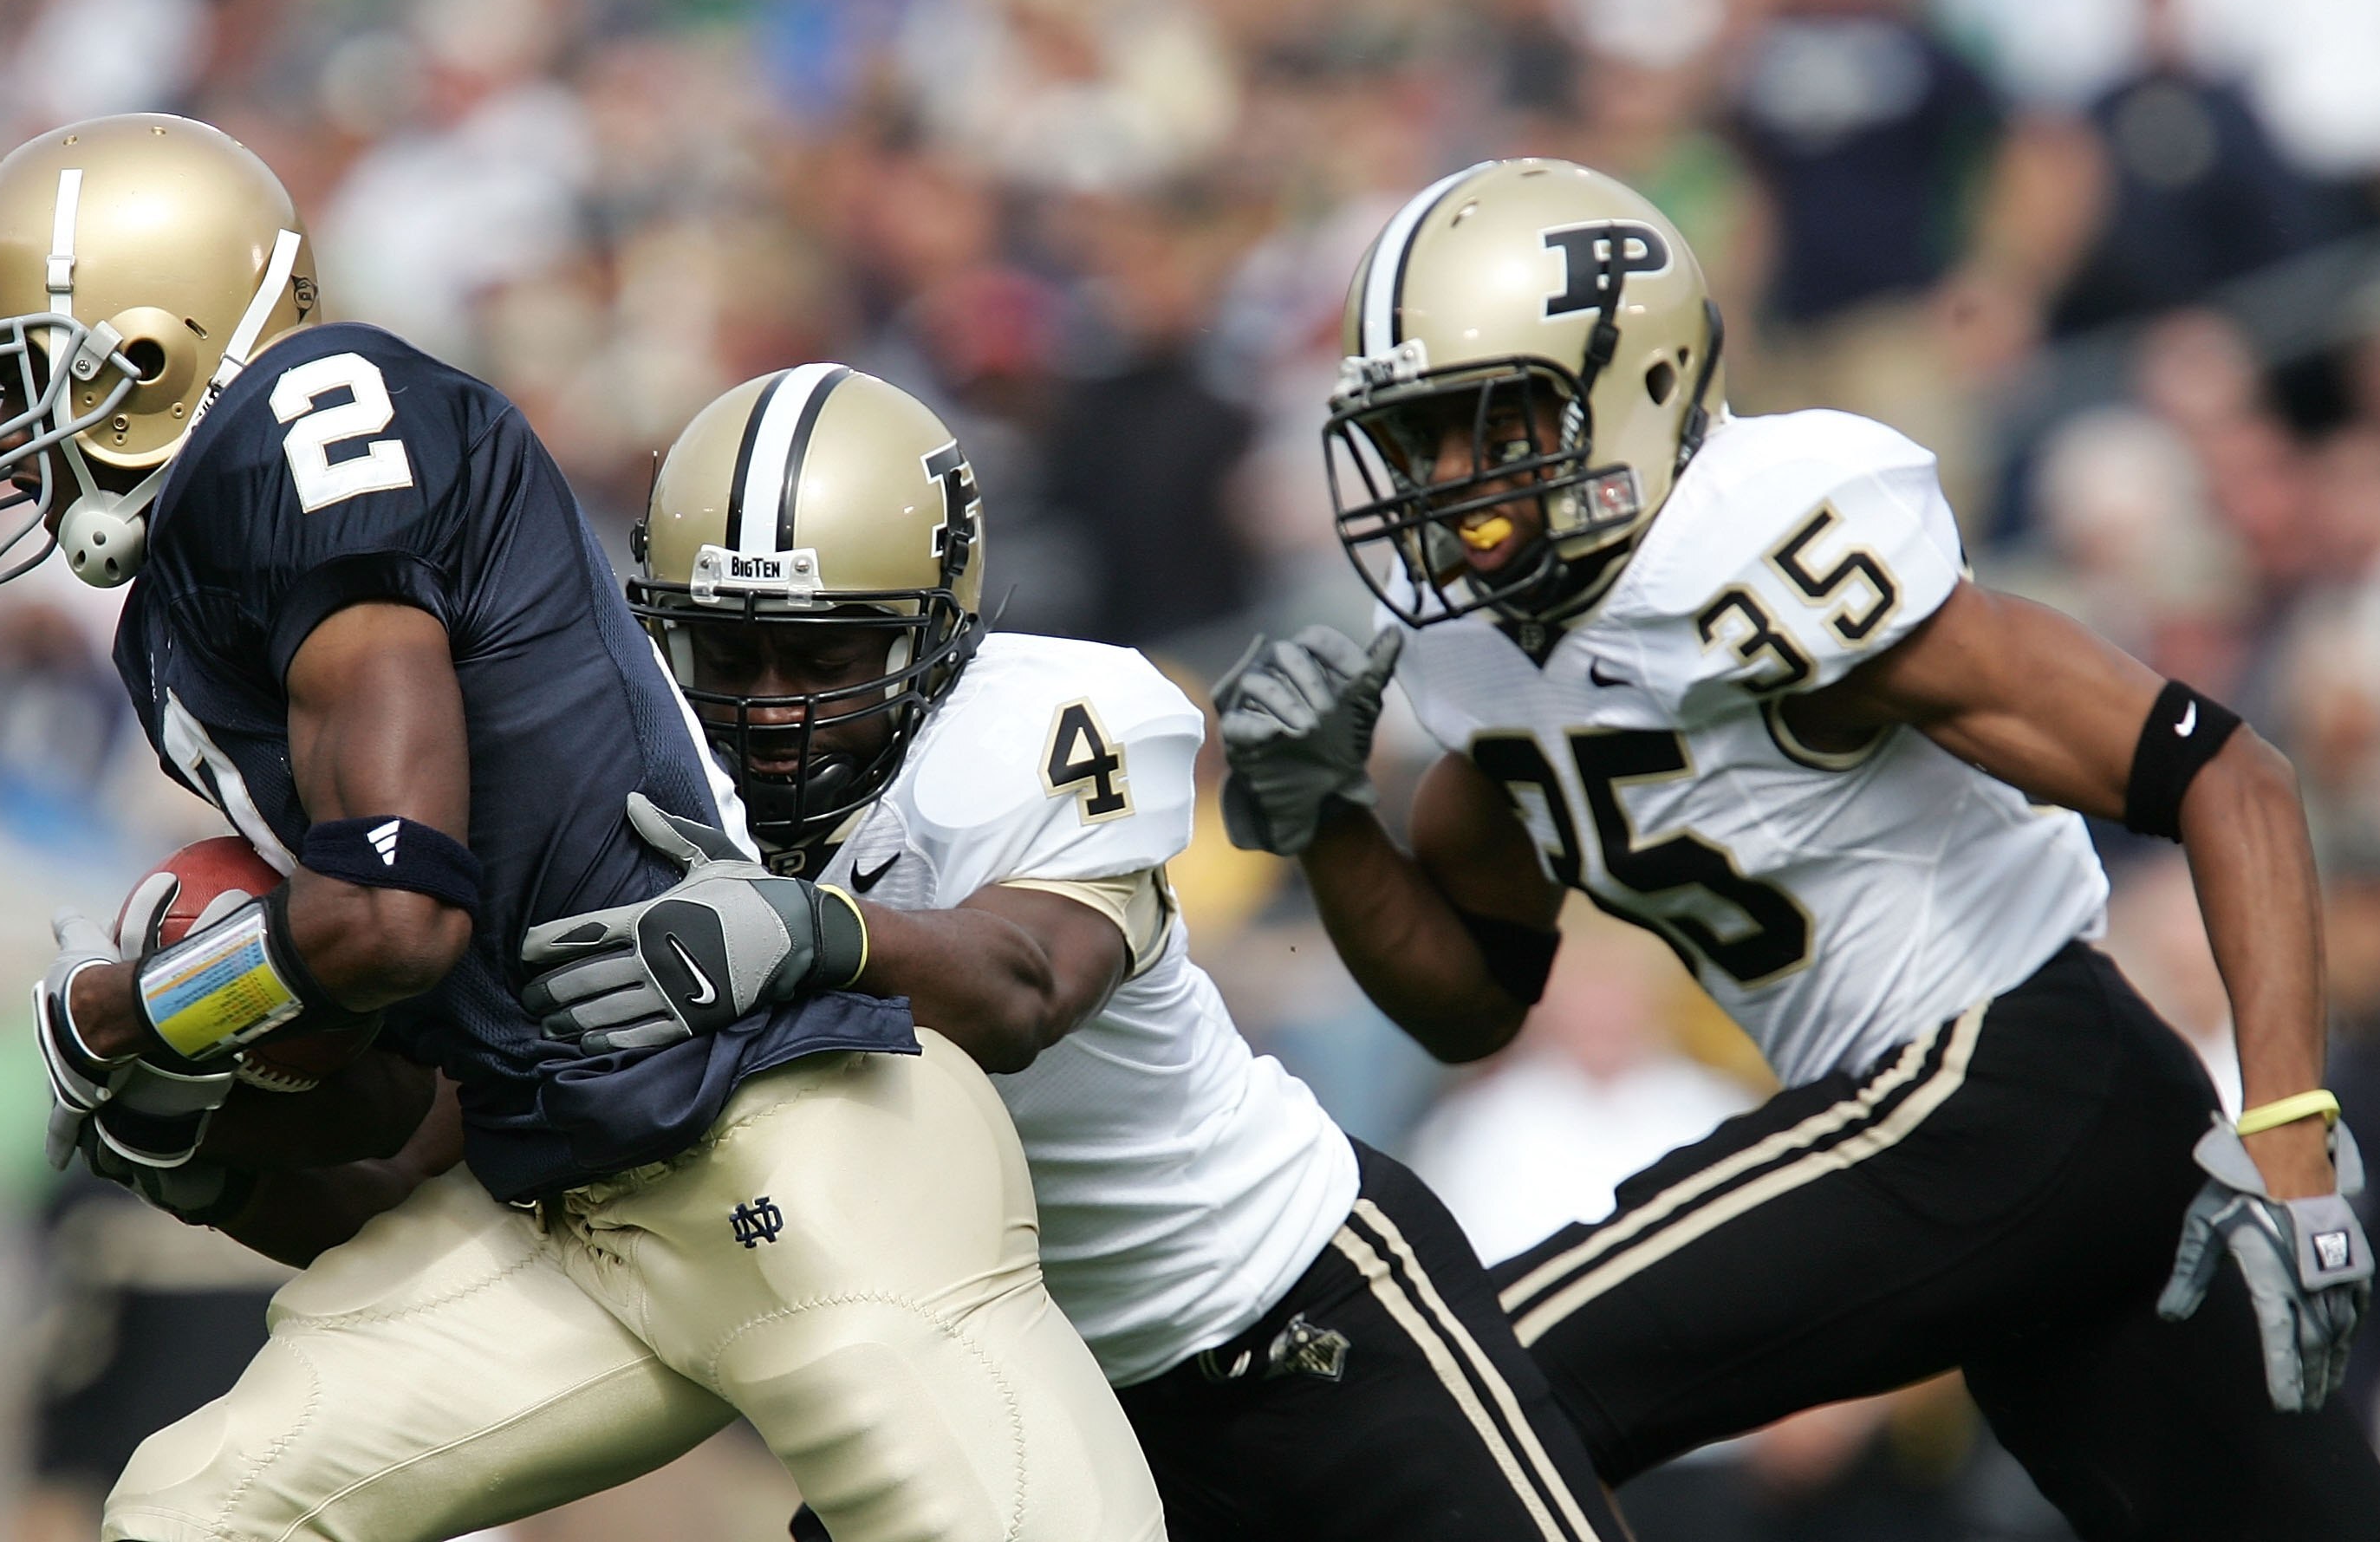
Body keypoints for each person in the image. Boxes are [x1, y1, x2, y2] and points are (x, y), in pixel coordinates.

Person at [0, 112, 1161, 1542]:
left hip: (790, 1151)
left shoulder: (308, 417)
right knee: (196, 1514)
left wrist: (139, 1014)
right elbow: (396, 1143)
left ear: (143, 354)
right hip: (571, 1203)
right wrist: (193, 1134)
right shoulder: (187, 607)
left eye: (23, 377)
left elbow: (389, 916)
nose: (6, 437)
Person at [1211, 157, 2380, 1539]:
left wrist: (2292, 1138)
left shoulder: (1759, 542)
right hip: (1998, 1137)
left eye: (1495, 422)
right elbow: (1470, 1002)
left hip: (2006, 1073)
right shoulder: (1471, 665)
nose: (1450, 480)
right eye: (1421, 438)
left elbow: (2225, 773)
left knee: (1454, 1394)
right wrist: (1329, 822)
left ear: (1633, 390)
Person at [518, 363, 1630, 1541]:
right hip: (989, 1392)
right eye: (729, 656)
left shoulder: (1048, 725)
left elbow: (1028, 984)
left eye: (833, 654)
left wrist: (813, 931)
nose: (774, 709)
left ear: (943, 630)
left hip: (1281, 1314)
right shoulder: (623, 771)